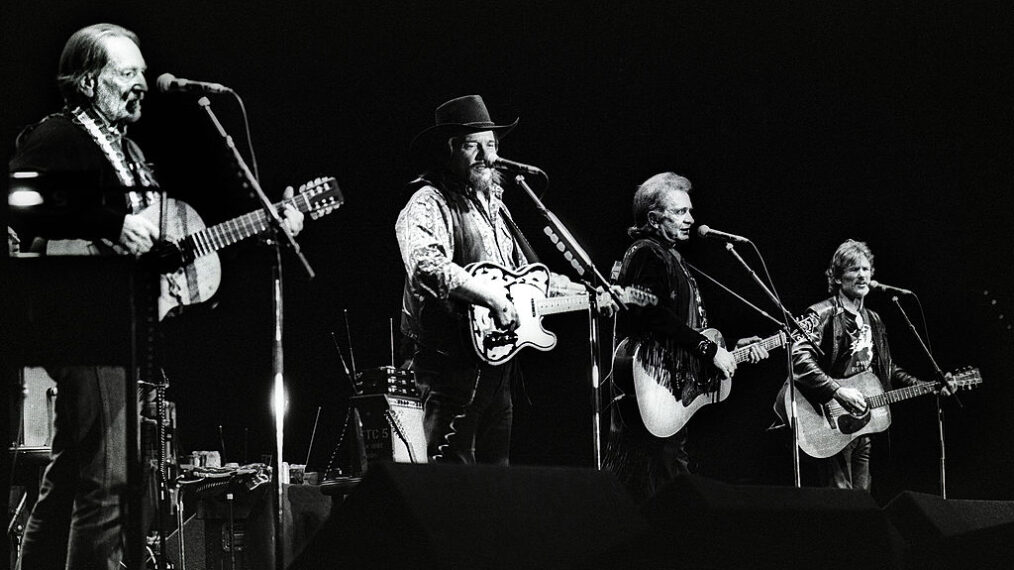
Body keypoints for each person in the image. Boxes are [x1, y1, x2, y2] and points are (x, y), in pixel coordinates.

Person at [8, 23, 303, 568]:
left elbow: (161, 249)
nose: (140, 82)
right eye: (126, 73)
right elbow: (20, 198)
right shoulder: (60, 135)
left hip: (118, 325)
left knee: (73, 472)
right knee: (109, 480)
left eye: (142, 72)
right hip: (83, 321)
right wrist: (111, 220)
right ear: (90, 82)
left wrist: (267, 225)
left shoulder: (131, 154)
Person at [395, 94, 592, 465]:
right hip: (449, 366)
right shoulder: (428, 201)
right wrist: (491, 297)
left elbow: (528, 277)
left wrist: (590, 292)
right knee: (453, 478)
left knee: (496, 479)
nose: (488, 156)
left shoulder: (496, 206)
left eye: (492, 145)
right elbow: (426, 265)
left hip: (497, 364)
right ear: (449, 150)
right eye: (473, 145)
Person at [603, 172, 767, 502]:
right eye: (680, 212)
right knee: (657, 489)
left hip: (671, 389)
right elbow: (653, 315)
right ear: (652, 218)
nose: (691, 219)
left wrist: (733, 351)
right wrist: (709, 349)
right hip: (655, 385)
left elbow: (683, 328)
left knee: (666, 484)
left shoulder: (670, 256)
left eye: (689, 211)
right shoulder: (647, 253)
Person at [787, 239, 937, 490]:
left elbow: (887, 368)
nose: (862, 275)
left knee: (863, 502)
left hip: (863, 426)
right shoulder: (821, 313)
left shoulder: (873, 320)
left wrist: (928, 385)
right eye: (853, 269)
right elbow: (798, 358)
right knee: (840, 502)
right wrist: (837, 391)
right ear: (836, 277)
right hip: (828, 421)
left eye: (866, 269)